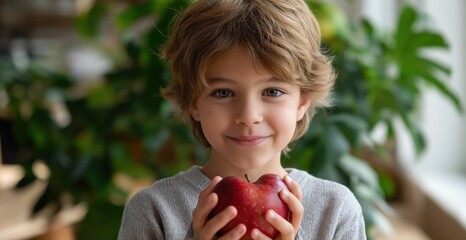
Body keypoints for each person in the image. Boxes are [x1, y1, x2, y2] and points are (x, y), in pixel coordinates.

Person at [118, 0, 366, 239]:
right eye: (223, 93)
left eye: (272, 92)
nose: (248, 117)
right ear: (193, 103)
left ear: (302, 101)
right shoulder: (153, 212)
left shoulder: (335, 211)